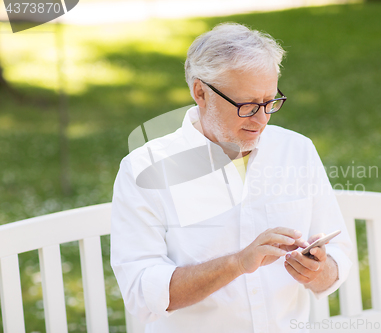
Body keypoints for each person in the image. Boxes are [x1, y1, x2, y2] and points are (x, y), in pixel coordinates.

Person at [111, 22, 353, 333]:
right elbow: (143, 293)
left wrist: (317, 269)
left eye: (269, 102)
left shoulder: (296, 150)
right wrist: (237, 263)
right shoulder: (144, 169)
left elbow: (337, 259)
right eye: (248, 106)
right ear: (201, 92)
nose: (261, 119)